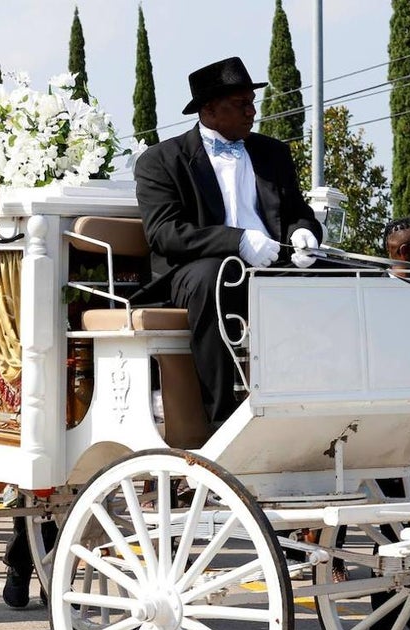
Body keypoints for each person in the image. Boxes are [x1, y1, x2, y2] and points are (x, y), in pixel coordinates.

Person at [134, 56, 321, 424]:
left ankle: (321, 399)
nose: (252, 112)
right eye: (241, 104)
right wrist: (236, 241)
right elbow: (165, 233)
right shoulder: (162, 160)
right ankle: (221, 415)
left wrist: (304, 234)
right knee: (215, 276)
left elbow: (299, 211)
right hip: (192, 272)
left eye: (252, 103)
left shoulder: (273, 153)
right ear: (208, 109)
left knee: (339, 276)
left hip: (271, 263)